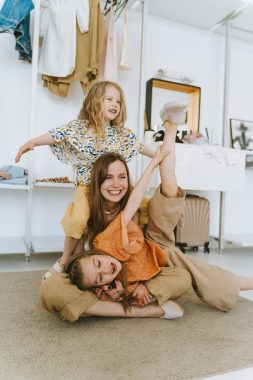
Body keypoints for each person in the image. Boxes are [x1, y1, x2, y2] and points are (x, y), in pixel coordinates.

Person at [40, 104, 253, 322]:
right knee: (53, 291)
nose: (115, 185)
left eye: (121, 177)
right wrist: (102, 282)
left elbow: (134, 204)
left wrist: (154, 163)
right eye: (107, 179)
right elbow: (76, 244)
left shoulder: (129, 211)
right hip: (135, 264)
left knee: (170, 189)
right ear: (97, 183)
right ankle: (141, 307)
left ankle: (171, 125)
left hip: (151, 242)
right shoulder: (88, 212)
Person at [15, 81, 154, 275]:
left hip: (115, 186)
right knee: (78, 219)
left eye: (119, 101)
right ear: (95, 101)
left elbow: (140, 147)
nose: (115, 104)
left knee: (146, 205)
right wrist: (33, 142)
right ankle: (64, 260)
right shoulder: (81, 128)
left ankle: (139, 246)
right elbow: (56, 134)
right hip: (88, 186)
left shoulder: (122, 134)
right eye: (109, 99)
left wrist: (159, 156)